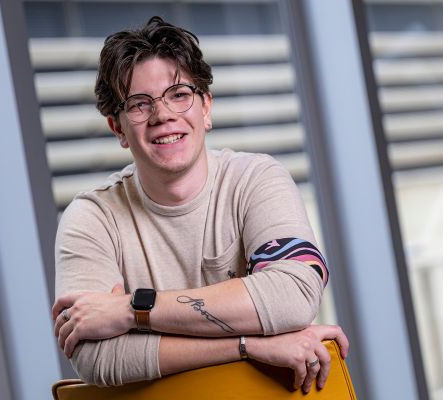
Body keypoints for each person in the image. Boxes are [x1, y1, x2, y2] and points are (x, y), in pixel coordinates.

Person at [52, 16, 348, 394]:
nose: (163, 115)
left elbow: (292, 297)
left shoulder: (257, 179)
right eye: (140, 104)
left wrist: (131, 310)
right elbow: (97, 358)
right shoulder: (91, 218)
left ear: (206, 107)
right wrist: (250, 345)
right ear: (118, 128)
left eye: (179, 94)